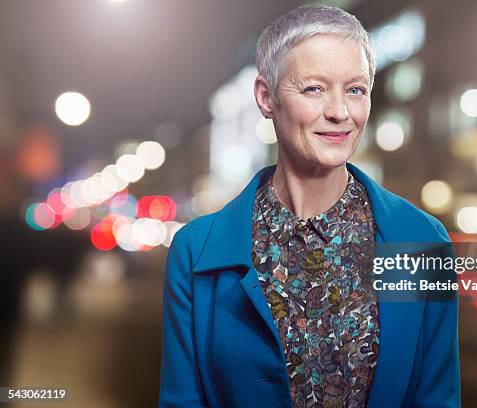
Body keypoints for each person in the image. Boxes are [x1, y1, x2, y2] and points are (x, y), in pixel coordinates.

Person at [159, 5, 460, 408]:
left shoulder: (423, 242)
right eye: (314, 89)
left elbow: (436, 398)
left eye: (355, 90)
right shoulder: (194, 252)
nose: (339, 112)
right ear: (266, 98)